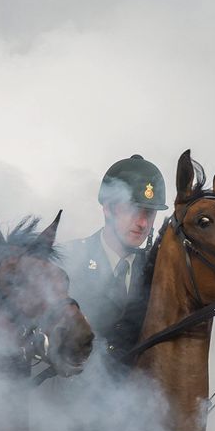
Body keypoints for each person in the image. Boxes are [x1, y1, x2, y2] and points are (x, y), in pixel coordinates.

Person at [61, 154, 169, 361]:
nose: (143, 223)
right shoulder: (69, 260)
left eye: (150, 213)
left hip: (135, 389)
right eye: (134, 209)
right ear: (108, 208)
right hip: (72, 388)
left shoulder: (159, 272)